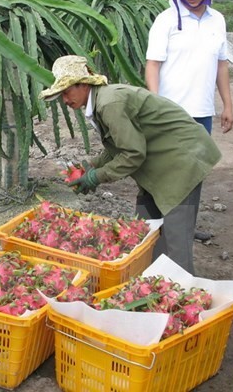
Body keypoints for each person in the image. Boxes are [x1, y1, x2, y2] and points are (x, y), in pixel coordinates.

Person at [39, 55, 221, 274]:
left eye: (67, 92)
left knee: (176, 238)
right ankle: (152, 279)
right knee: (144, 229)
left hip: (182, 161)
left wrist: (95, 176)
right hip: (160, 164)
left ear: (83, 84)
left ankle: (181, 292)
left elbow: (133, 154)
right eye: (61, 96)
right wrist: (90, 166)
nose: (65, 101)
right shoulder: (101, 103)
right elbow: (118, 145)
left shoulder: (109, 103)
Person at [145, 0, 233, 242]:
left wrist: (227, 105)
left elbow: (221, 65)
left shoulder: (217, 20)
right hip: (170, 113)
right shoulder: (166, 20)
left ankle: (183, 228)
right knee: (162, 171)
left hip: (202, 113)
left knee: (194, 173)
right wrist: (156, 104)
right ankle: (152, 229)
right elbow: (152, 65)